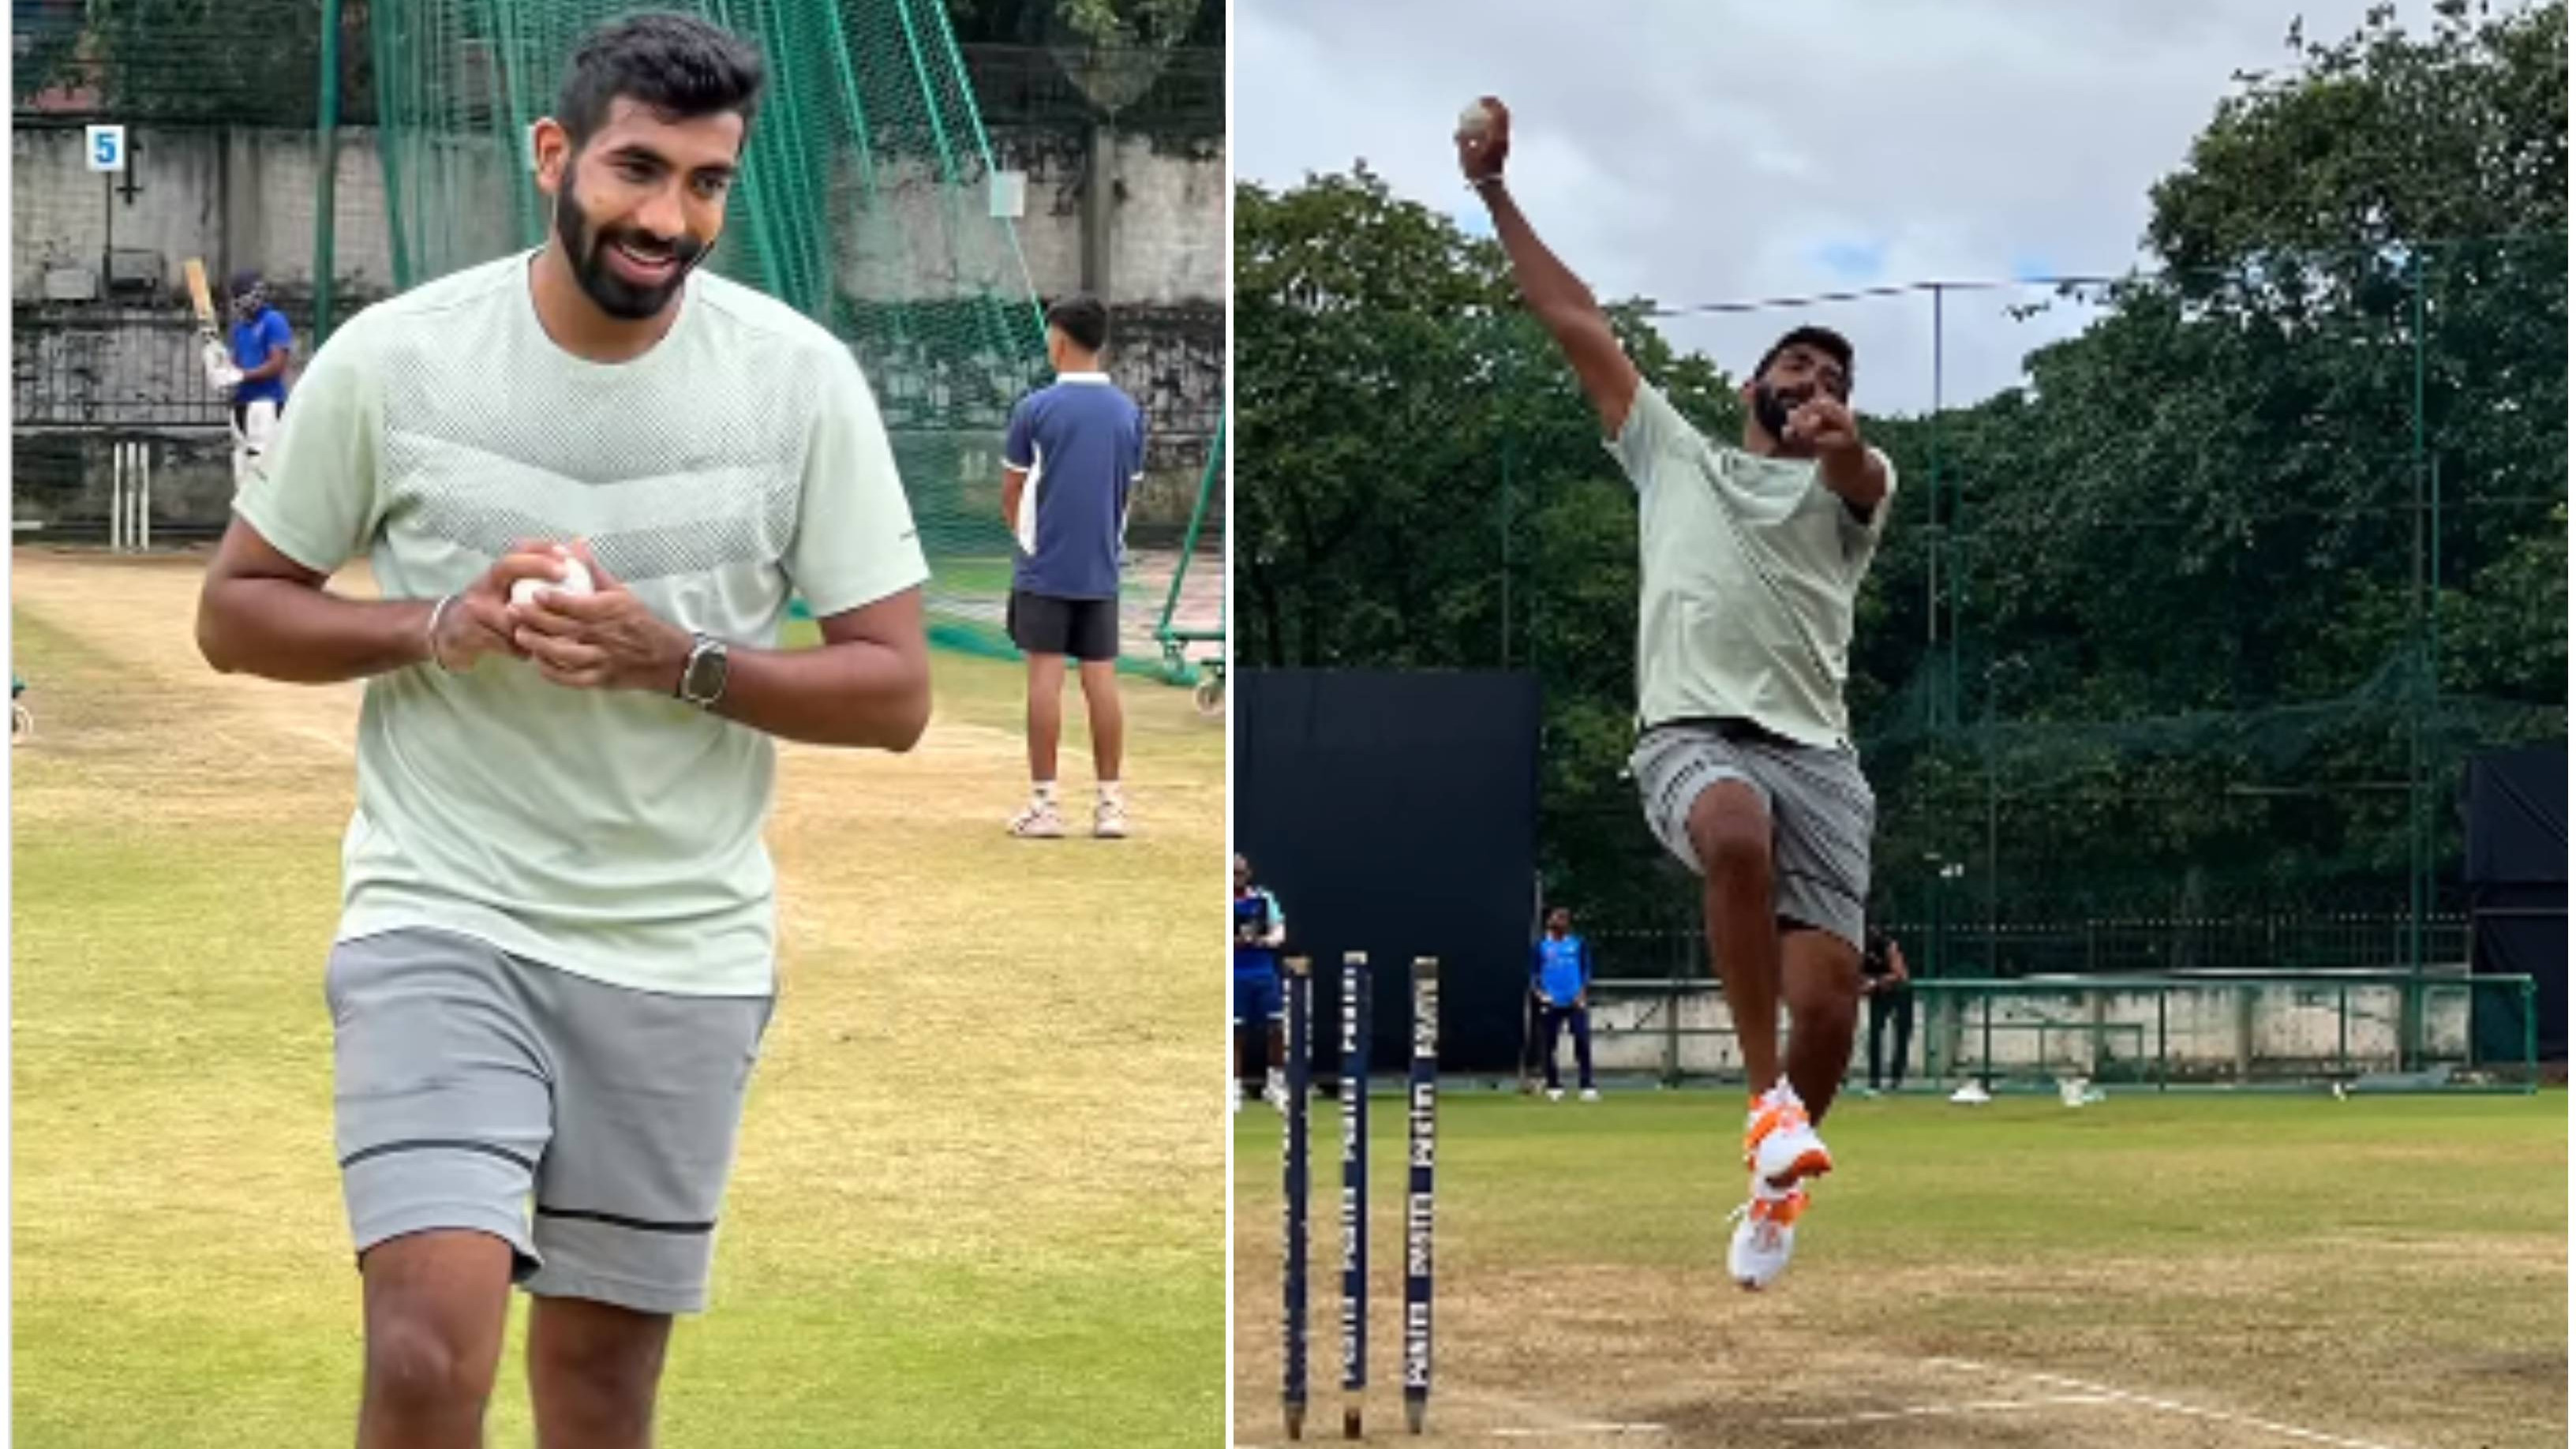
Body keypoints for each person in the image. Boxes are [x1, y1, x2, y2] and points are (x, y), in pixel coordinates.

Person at [193, 15, 934, 1443]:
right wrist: (431, 625)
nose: (668, 219)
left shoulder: (796, 382)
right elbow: (239, 613)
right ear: (555, 155)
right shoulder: (401, 360)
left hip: (678, 948)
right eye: (637, 170)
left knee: (597, 1392)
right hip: (440, 913)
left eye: (705, 183)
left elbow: (893, 688)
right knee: (424, 1351)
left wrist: (680, 662)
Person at [1460, 99, 1897, 1291]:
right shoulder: (1673, 453)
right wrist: (1496, 195)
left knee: (1833, 1014)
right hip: (1693, 738)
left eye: (1836, 376)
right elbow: (1574, 320)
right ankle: (1765, 1107)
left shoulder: (1852, 486)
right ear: (1752, 383)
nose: (1818, 383)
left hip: (1822, 755)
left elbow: (1858, 468)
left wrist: (1841, 440)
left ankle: (1774, 1189)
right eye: (1800, 367)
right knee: (1732, 830)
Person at [1001, 294, 1146, 840]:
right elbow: (1127, 498)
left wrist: (1028, 544)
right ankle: (1111, 806)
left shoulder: (1034, 410)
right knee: (1101, 680)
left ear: (1058, 340)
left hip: (1045, 569)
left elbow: (1011, 493)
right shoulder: (1129, 413)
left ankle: (1046, 805)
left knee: (1045, 678)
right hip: (1100, 569)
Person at [225, 269, 294, 489]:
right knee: (241, 469)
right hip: (240, 403)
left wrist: (243, 375)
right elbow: (234, 364)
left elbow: (277, 364)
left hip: (266, 403)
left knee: (262, 465)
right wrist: (223, 372)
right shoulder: (239, 328)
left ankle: (264, 521)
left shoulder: (273, 321)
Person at [1234, 854, 1290, 1112]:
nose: (1237, 878)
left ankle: (1275, 1084)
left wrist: (1268, 941)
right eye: (1233, 873)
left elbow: (1279, 929)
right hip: (1235, 972)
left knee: (1277, 1026)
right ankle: (1234, 1087)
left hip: (1263, 971)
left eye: (1241, 873)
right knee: (1236, 1031)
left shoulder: (1263, 898)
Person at [1530, 906, 1597, 1102]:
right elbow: (1533, 975)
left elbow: (1586, 971)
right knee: (1549, 1044)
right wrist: (1541, 995)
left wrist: (1582, 993)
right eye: (1555, 919)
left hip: (1574, 1001)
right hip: (1552, 1002)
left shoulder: (1577, 944)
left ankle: (1587, 1085)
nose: (1558, 922)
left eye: (1562, 919)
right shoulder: (1541, 946)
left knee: (1582, 1041)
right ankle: (1553, 1084)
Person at [1860, 926, 1913, 1093]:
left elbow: (1900, 974)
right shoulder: (1860, 950)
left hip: (1900, 993)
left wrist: (1876, 982)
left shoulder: (1888, 945)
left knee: (1901, 1035)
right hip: (1879, 994)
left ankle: (1897, 1078)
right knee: (1875, 1035)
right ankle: (1874, 1079)